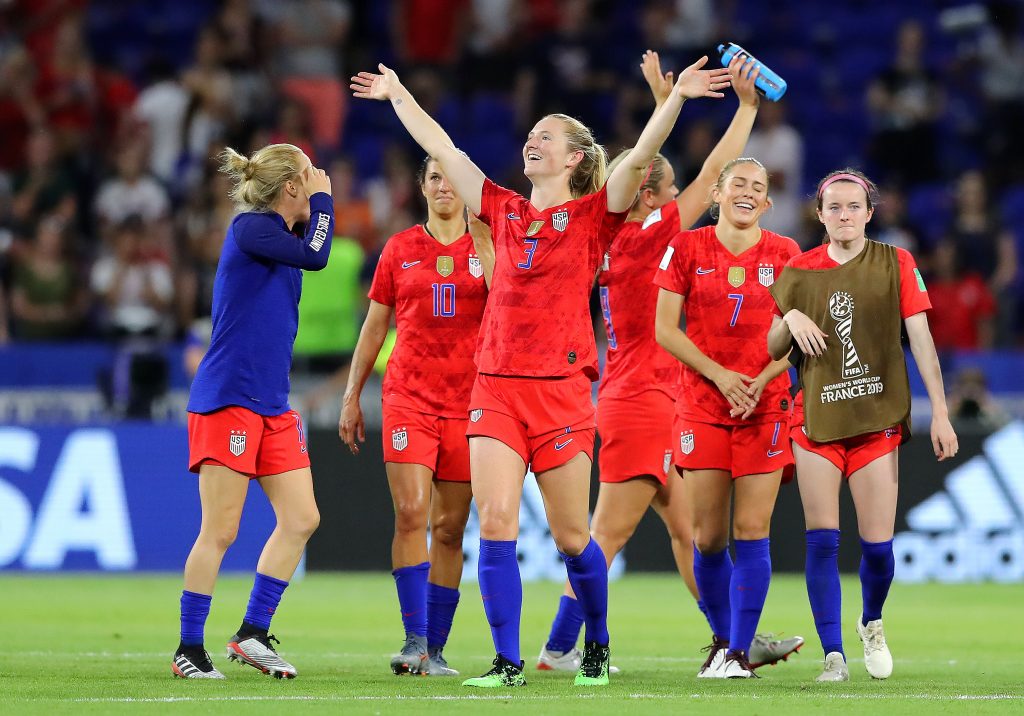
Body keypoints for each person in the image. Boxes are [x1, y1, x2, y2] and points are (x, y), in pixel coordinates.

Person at [352, 54, 731, 687]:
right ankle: (506, 662)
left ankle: (597, 646)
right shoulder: (501, 208)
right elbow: (442, 147)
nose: (532, 141)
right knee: (494, 522)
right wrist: (398, 96)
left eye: (546, 137)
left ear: (575, 158)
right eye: (531, 135)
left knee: (573, 536)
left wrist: (677, 102)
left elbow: (639, 157)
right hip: (496, 387)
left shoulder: (593, 218)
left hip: (561, 394)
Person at [537, 51, 801, 675]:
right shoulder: (648, 235)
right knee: (606, 535)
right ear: (644, 197)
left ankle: (731, 640)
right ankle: (556, 647)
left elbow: (666, 169)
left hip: (651, 394)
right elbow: (714, 172)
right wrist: (746, 109)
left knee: (692, 536)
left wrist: (664, 105)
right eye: (663, 188)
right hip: (645, 398)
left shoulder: (615, 236)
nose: (673, 195)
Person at [767, 168, 958, 682]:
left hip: (876, 421)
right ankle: (833, 653)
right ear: (820, 213)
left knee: (878, 550)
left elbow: (921, 340)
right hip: (816, 420)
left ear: (870, 213)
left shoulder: (896, 263)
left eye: (854, 207)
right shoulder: (798, 271)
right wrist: (790, 320)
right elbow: (771, 347)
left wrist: (939, 410)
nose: (844, 215)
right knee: (823, 540)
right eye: (834, 207)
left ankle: (871, 621)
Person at [172, 143, 333, 680]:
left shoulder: (280, 238)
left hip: (270, 402)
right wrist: (327, 202)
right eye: (309, 177)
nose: (316, 183)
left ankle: (252, 633)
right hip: (229, 398)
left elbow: (308, 252)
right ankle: (189, 649)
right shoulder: (251, 228)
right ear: (292, 187)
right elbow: (318, 255)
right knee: (220, 529)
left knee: (302, 518)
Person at [339, 157, 489, 677]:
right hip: (409, 398)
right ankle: (413, 639)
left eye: (452, 178)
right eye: (433, 178)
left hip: (470, 404)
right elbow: (375, 326)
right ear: (422, 188)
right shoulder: (399, 249)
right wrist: (352, 394)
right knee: (409, 512)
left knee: (450, 528)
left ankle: (437, 650)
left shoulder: (488, 247)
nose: (444, 186)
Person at [654, 157, 801, 678]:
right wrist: (721, 377)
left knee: (751, 527)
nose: (747, 192)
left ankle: (738, 654)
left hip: (766, 406)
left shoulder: (787, 255)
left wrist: (759, 381)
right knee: (708, 536)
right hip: (702, 404)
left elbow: (800, 338)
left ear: (767, 203)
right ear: (716, 192)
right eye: (737, 183)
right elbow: (665, 330)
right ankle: (722, 642)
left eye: (757, 188)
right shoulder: (687, 247)